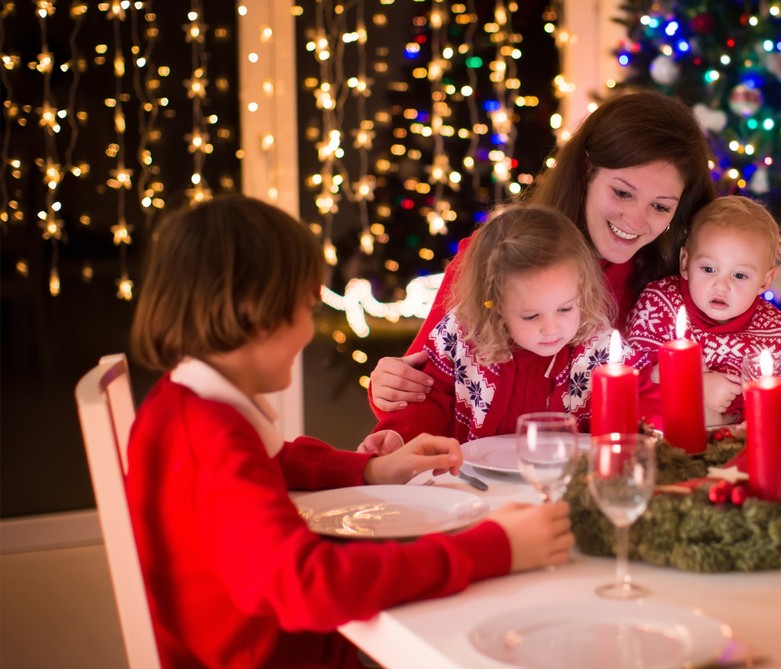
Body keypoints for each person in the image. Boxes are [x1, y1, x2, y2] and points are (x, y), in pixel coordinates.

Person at [127, 195, 573, 668]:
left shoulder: (184, 405)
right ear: (255, 314)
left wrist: (375, 469)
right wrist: (495, 548)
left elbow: (277, 463)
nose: (308, 331)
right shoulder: (210, 438)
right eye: (304, 308)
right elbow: (310, 585)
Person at [368, 89, 717, 416]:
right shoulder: (498, 258)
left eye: (659, 206)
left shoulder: (671, 289)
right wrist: (387, 389)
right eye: (623, 193)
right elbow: (420, 386)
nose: (636, 220)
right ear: (586, 170)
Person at [371, 204, 616, 443]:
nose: (551, 328)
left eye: (565, 308)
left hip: (564, 479)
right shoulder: (461, 336)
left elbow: (619, 421)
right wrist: (397, 437)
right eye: (531, 316)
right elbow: (426, 399)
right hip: (470, 478)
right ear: (495, 305)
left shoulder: (597, 350)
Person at [625, 195, 781, 427]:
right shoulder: (661, 302)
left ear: (765, 281)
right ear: (685, 263)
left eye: (739, 275)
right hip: (668, 422)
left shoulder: (770, 326)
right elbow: (634, 369)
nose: (721, 285)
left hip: (740, 430)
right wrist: (695, 385)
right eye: (708, 269)